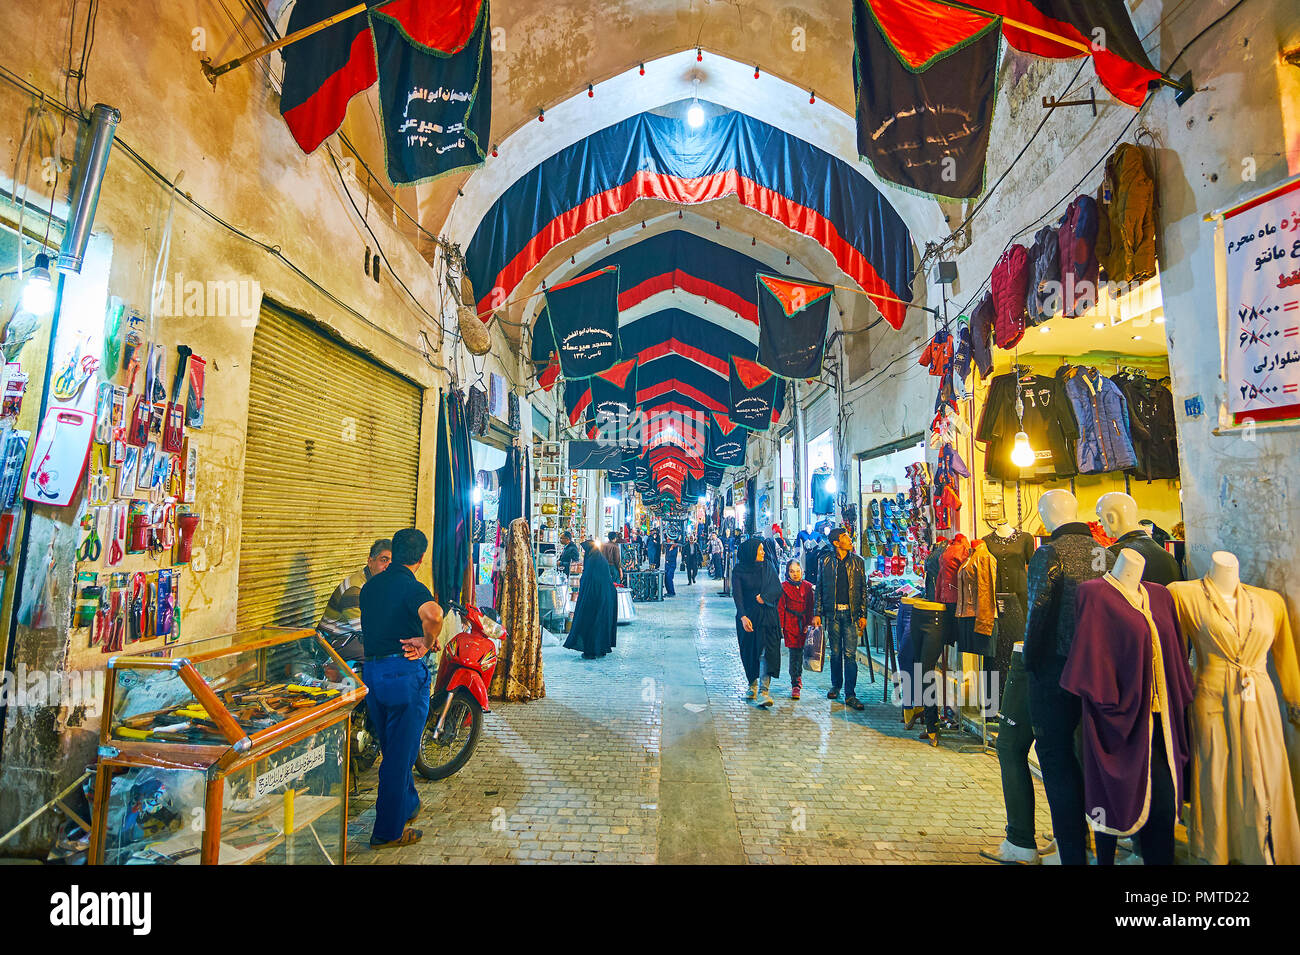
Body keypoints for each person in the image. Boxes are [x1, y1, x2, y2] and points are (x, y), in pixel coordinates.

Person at [358, 528, 444, 849]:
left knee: (393, 746)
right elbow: (433, 614)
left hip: (374, 673)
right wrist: (426, 641)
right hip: (403, 676)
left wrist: (424, 640)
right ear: (421, 559)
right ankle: (388, 831)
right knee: (399, 755)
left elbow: (384, 625)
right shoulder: (412, 587)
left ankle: (407, 804)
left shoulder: (371, 587)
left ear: (393, 552)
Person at [812, 527, 868, 711]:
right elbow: (819, 588)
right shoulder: (825, 561)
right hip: (833, 613)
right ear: (836, 542)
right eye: (845, 537)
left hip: (851, 614)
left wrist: (863, 614)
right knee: (835, 653)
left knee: (850, 655)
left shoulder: (858, 562)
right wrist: (817, 613)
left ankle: (850, 693)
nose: (849, 538)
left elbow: (862, 590)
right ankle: (836, 685)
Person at [317, 538, 391, 662]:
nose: (388, 566)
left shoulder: (380, 584)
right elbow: (366, 631)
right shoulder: (355, 589)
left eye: (392, 562)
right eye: (383, 560)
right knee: (384, 656)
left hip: (353, 637)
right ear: (370, 561)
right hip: (333, 642)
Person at [732, 537, 782, 708]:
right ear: (751, 552)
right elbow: (737, 595)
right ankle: (752, 684)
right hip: (748, 617)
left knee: (765, 653)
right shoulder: (739, 570)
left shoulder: (768, 566)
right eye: (759, 550)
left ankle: (764, 691)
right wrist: (743, 616)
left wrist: (765, 598)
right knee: (749, 652)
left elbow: (777, 587)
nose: (762, 552)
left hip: (767, 617)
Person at [564, 540, 617, 658]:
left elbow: (587, 580)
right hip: (605, 598)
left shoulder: (592, 561)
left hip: (593, 599)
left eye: (584, 550)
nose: (583, 553)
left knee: (590, 622)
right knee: (600, 623)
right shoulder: (600, 559)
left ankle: (591, 651)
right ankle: (600, 649)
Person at [778, 558, 815, 700]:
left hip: (806, 623)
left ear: (802, 571)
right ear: (787, 572)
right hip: (791, 624)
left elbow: (812, 607)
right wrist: (781, 626)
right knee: (795, 654)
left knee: (804, 653)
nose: (795, 574)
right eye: (792, 571)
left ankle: (798, 678)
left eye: (797, 571)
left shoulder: (808, 587)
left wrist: (810, 623)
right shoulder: (784, 587)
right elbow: (781, 608)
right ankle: (796, 682)